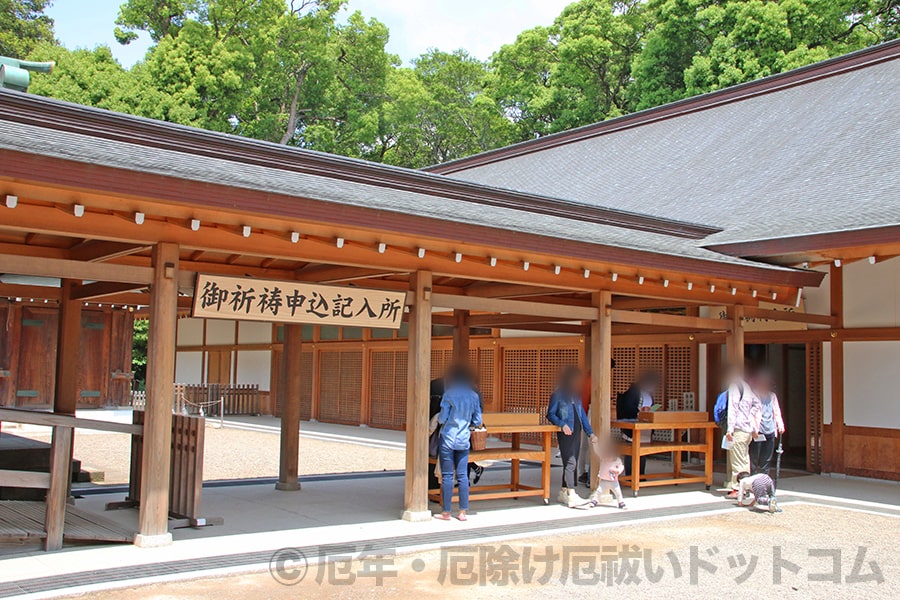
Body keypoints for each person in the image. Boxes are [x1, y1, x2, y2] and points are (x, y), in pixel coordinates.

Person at [435, 363, 482, 521]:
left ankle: (446, 512)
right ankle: (462, 512)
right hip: (464, 439)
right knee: (462, 476)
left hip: (448, 438)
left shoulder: (449, 394)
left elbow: (442, 418)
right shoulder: (474, 396)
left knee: (448, 476)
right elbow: (478, 420)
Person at [546, 366, 597, 508]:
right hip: (566, 432)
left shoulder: (576, 395)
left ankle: (564, 491)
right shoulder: (558, 394)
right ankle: (572, 494)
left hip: (577, 431)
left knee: (573, 460)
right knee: (570, 462)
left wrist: (590, 433)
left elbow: (583, 416)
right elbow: (550, 414)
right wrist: (562, 424)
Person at [724, 364, 761, 499]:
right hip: (747, 430)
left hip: (739, 429)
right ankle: (746, 487)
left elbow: (732, 409)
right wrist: (750, 418)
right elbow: (757, 404)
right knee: (745, 459)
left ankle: (737, 488)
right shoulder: (747, 387)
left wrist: (730, 429)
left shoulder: (734, 387)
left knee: (737, 460)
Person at [616, 371, 659, 477]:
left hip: (645, 425)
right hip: (632, 424)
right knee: (631, 450)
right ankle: (630, 475)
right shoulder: (634, 391)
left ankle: (641, 474)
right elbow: (628, 408)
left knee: (643, 450)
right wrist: (639, 411)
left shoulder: (648, 393)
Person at [749, 369, 785, 476]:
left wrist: (780, 425)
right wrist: (753, 428)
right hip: (758, 430)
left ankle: (765, 477)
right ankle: (754, 477)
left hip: (770, 429)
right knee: (755, 456)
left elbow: (777, 412)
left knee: (767, 457)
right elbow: (750, 414)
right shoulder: (754, 396)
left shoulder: (772, 396)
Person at [587, 442, 627, 509]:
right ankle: (594, 501)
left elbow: (621, 467)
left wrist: (618, 471)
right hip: (604, 480)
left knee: (618, 492)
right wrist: (595, 444)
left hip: (614, 481)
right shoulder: (603, 458)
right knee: (598, 491)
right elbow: (597, 451)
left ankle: (621, 502)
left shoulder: (617, 460)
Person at [576, 370, 592, 488]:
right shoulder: (591, 380)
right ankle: (588, 474)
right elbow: (585, 398)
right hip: (588, 412)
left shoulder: (587, 378)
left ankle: (581, 471)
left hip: (585, 411)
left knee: (584, 446)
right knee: (589, 445)